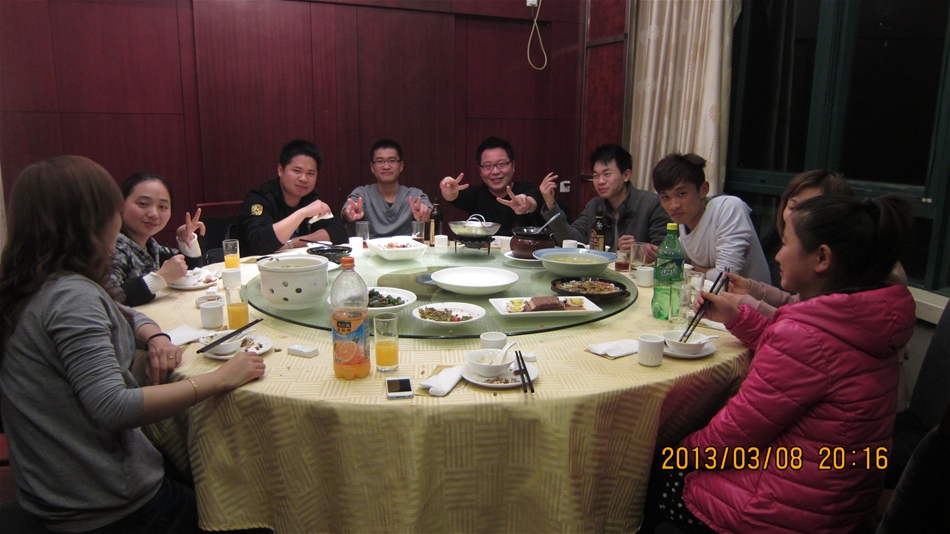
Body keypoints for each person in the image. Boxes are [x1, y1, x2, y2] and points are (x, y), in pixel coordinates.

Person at [0, 156, 265, 533]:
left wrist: (154, 335)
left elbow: (122, 310)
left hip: (51, 484)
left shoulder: (34, 281)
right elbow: (114, 407)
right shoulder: (72, 297)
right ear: (93, 219)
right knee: (251, 507)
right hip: (101, 500)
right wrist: (220, 378)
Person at [652, 194, 916, 533]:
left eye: (787, 243)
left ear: (822, 258)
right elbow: (807, 364)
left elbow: (733, 436)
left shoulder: (804, 336)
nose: (777, 254)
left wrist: (675, 451)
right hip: (845, 498)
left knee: (657, 470)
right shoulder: (866, 317)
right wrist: (739, 318)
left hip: (785, 512)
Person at [652, 153, 771, 282]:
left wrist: (698, 270)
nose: (674, 205)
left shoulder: (728, 208)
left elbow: (726, 278)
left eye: (682, 194)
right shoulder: (683, 221)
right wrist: (654, 254)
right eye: (665, 197)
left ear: (703, 190)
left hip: (748, 294)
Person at [539, 143, 669, 259]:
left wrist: (639, 249)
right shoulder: (594, 206)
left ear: (626, 175)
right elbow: (571, 240)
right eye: (596, 176)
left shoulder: (652, 204)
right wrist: (550, 204)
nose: (600, 181)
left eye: (607, 174)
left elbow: (667, 253)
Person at [109, 172, 206, 307]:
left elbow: (189, 271)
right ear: (120, 203)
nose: (154, 214)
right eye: (143, 204)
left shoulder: (150, 246)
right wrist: (160, 278)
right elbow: (110, 298)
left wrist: (186, 241)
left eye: (162, 207)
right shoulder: (111, 246)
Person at [239, 139, 348, 255]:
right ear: (280, 170)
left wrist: (292, 243)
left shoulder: (309, 198)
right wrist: (303, 213)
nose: (304, 179)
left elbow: (338, 232)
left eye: (310, 173)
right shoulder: (260, 198)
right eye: (297, 171)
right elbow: (260, 243)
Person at [440, 136, 546, 236]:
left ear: (513, 166)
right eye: (487, 166)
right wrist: (447, 189)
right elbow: (452, 196)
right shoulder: (476, 195)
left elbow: (532, 202)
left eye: (501, 164)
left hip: (520, 248)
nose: (495, 171)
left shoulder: (527, 188)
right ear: (480, 170)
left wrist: (525, 204)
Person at [341, 139, 432, 237]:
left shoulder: (414, 195)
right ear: (372, 167)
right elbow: (348, 211)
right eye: (380, 161)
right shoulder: (362, 194)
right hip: (370, 246)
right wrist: (350, 213)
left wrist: (424, 213)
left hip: (407, 246)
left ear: (401, 166)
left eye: (392, 161)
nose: (386, 166)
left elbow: (428, 211)